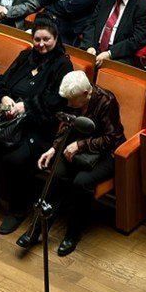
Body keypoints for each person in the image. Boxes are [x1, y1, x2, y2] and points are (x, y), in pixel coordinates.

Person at [0, 19, 71, 235]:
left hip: (39, 126)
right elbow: (2, 83)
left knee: (14, 160)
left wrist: (24, 106)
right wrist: (6, 97)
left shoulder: (62, 64)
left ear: (56, 39)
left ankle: (17, 209)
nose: (42, 44)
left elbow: (55, 101)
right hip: (9, 122)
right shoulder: (26, 56)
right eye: (37, 39)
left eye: (47, 39)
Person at [27, 68, 125, 254]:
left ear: (86, 94)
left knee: (81, 183)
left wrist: (80, 145)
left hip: (106, 153)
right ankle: (36, 229)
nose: (69, 104)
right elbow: (66, 124)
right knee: (56, 175)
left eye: (73, 100)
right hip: (76, 148)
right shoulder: (73, 98)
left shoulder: (106, 100)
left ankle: (73, 233)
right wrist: (54, 148)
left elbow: (112, 137)